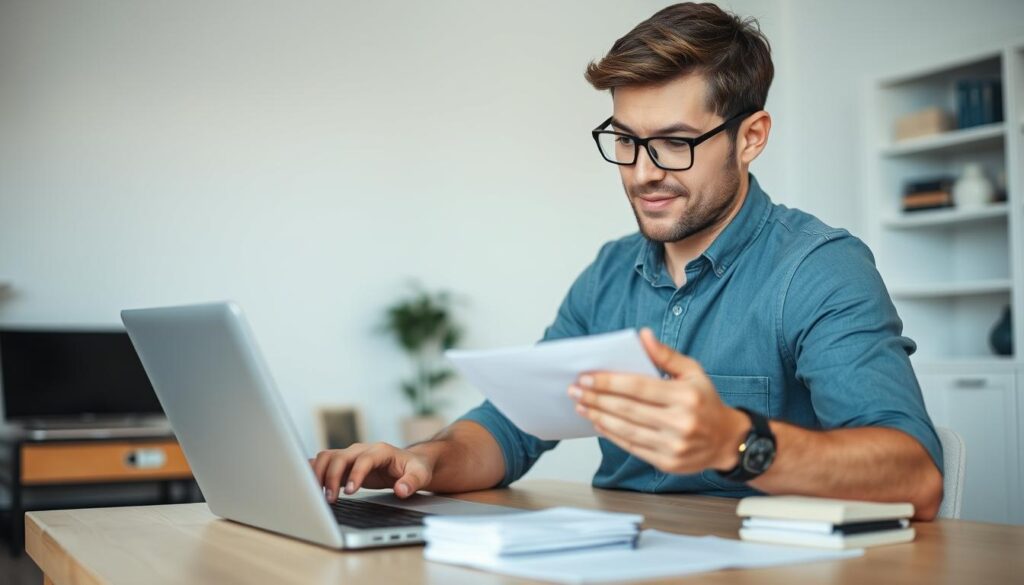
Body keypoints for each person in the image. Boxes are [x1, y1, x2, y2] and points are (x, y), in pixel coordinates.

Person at [311, 2, 944, 520]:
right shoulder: (610, 272)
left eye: (673, 143)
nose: (642, 174)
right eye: (625, 140)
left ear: (750, 137)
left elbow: (915, 475)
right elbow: (512, 427)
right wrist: (421, 461)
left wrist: (736, 442)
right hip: (621, 557)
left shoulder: (819, 269)